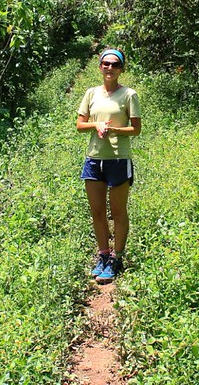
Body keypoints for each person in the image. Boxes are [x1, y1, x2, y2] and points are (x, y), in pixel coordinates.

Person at [76, 49, 141, 284]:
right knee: (97, 211)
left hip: (119, 159)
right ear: (100, 67)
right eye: (106, 64)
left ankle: (117, 257)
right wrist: (97, 125)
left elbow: (136, 129)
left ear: (121, 68)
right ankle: (103, 254)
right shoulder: (91, 93)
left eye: (115, 64)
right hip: (94, 159)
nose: (110, 68)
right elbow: (79, 125)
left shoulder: (128, 95)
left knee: (118, 212)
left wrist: (114, 130)